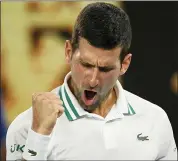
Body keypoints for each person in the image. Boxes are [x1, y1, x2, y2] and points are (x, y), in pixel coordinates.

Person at [6, 2, 177, 160]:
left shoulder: (155, 120)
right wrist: (39, 136)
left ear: (124, 64)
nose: (93, 80)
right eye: (85, 65)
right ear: (68, 52)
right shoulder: (26, 126)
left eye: (105, 69)